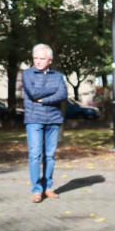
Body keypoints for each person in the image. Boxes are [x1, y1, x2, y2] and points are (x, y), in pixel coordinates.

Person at [22, 44, 67, 203]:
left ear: (50, 60)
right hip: (34, 120)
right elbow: (33, 93)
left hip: (53, 119)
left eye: (42, 58)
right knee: (34, 155)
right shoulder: (27, 74)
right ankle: (36, 190)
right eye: (35, 58)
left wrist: (44, 100)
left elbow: (63, 94)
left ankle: (47, 187)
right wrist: (53, 90)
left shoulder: (58, 75)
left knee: (50, 155)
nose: (38, 61)